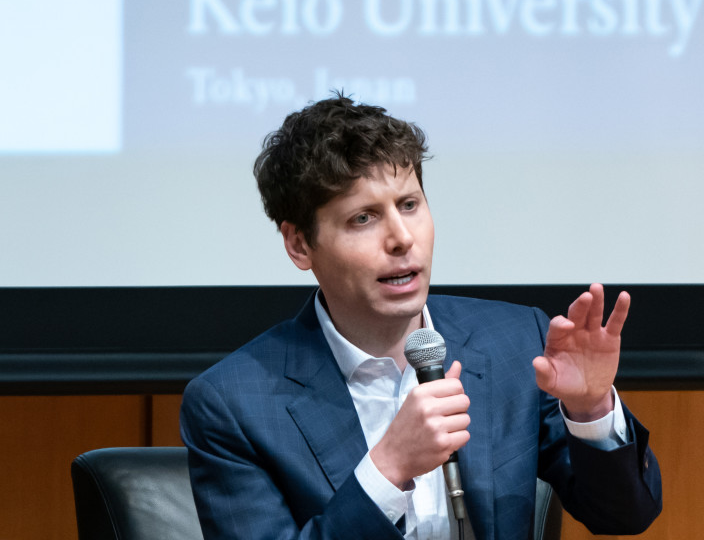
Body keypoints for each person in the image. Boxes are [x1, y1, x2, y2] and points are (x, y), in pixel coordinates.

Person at [180, 95, 662, 540]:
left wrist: (590, 410)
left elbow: (625, 515)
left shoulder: (515, 343)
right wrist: (387, 470)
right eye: (363, 218)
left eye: (409, 205)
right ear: (299, 244)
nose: (402, 238)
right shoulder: (233, 405)